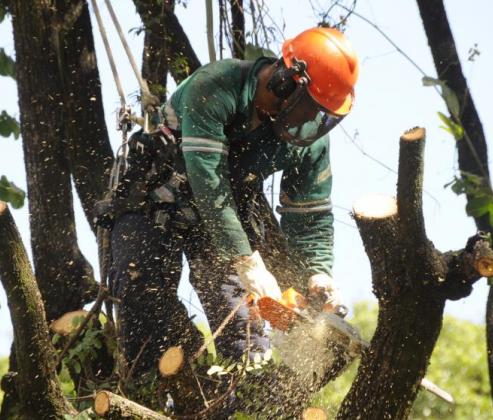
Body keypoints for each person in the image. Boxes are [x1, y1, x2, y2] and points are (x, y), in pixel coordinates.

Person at [107, 26, 359, 391]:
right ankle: (154, 391)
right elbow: (208, 181)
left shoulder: (309, 143)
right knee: (139, 291)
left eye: (322, 117)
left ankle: (244, 400)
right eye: (309, 109)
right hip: (154, 200)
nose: (311, 123)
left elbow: (310, 214)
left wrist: (318, 274)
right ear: (286, 82)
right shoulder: (216, 86)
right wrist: (248, 263)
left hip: (221, 223)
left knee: (244, 328)